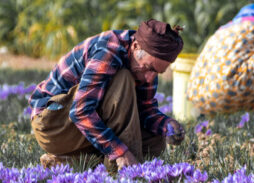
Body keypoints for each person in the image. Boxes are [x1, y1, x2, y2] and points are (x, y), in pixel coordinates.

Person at [29, 19, 186, 171]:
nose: (149, 78)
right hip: (53, 124)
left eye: (158, 72)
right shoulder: (109, 50)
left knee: (155, 139)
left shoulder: (147, 64)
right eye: (148, 68)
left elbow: (145, 110)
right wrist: (121, 152)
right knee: (123, 79)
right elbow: (80, 111)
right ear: (136, 46)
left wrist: (166, 125)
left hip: (85, 126)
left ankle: (70, 162)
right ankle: (123, 171)